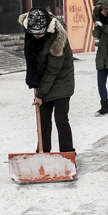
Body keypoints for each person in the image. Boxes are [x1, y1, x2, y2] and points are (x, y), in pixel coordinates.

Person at [19, 8, 75, 153]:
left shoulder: (58, 40)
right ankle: (43, 152)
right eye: (34, 33)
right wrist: (34, 82)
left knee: (61, 120)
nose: (37, 36)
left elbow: (53, 71)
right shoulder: (30, 33)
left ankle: (67, 154)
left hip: (62, 82)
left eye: (41, 33)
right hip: (42, 82)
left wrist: (40, 94)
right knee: (43, 121)